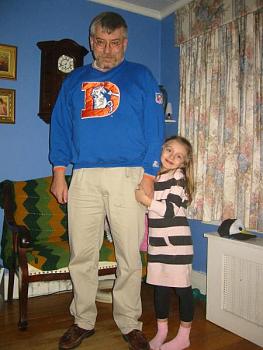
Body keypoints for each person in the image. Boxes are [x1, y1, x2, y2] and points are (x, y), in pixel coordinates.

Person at [49, 11, 164, 350]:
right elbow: (61, 126)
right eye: (101, 42)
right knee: (82, 254)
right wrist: (59, 171)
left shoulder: (141, 76)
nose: (108, 50)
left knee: (129, 255)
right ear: (92, 43)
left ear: (124, 43)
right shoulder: (73, 81)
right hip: (83, 176)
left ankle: (129, 322)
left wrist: (149, 174)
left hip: (130, 175)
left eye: (115, 43)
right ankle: (83, 320)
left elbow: (154, 127)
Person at [135, 135, 195, 350]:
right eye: (169, 150)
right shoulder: (153, 177)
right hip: (157, 244)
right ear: (160, 149)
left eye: (178, 156)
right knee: (159, 290)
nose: (172, 156)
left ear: (183, 163)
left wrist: (147, 201)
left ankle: (184, 336)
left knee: (182, 291)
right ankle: (161, 333)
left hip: (177, 247)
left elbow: (169, 211)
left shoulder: (178, 177)